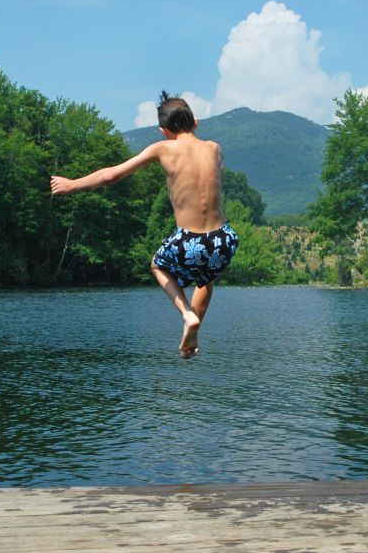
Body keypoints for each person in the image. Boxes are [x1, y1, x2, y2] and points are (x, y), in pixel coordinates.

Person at [50, 92, 238, 359]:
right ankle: (193, 333)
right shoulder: (215, 148)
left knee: (157, 265)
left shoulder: (162, 148)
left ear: (163, 131)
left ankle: (187, 316)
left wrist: (72, 185)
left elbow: (111, 175)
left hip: (190, 239)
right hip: (224, 238)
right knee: (206, 278)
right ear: (195, 123)